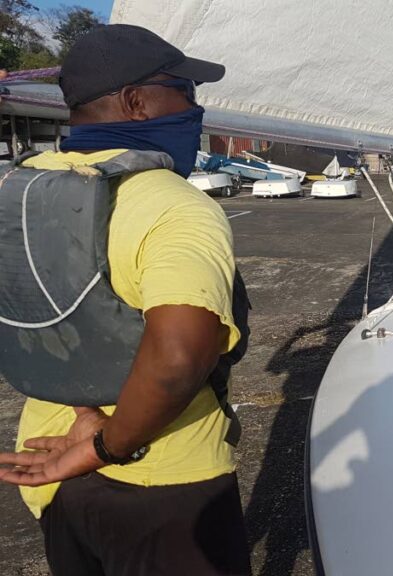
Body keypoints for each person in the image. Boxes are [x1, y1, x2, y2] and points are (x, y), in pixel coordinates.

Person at [0, 25, 253, 574]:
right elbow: (177, 358)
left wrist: (82, 422)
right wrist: (104, 446)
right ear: (137, 102)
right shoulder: (173, 204)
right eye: (184, 90)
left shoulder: (18, 188)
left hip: (55, 463)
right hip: (161, 481)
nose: (194, 105)